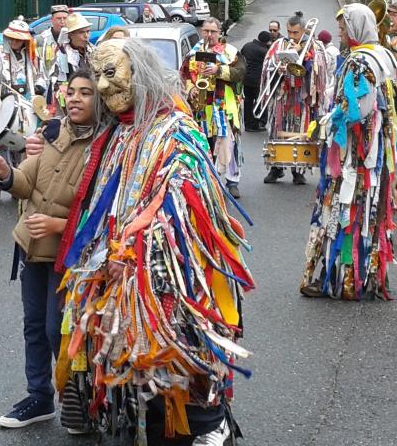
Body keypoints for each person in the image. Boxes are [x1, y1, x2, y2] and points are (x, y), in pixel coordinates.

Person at [61, 38, 253, 445]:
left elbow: (185, 199)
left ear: (142, 71)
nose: (102, 85)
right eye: (97, 75)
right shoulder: (119, 132)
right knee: (139, 372)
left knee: (177, 355)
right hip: (121, 278)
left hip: (167, 279)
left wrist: (136, 250)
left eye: (111, 72)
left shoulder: (176, 130)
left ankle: (209, 426)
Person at [0, 71, 106, 431]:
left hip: (69, 257)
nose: (76, 99)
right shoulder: (56, 132)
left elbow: (106, 213)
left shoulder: (107, 147)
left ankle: (78, 400)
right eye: (71, 92)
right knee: (34, 327)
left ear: (101, 101)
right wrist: (5, 172)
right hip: (31, 249)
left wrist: (59, 226)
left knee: (60, 331)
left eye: (86, 93)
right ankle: (39, 397)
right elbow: (26, 183)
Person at [301, 4, 397, 299]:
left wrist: (326, 123)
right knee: (367, 214)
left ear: (357, 27)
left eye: (344, 27)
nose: (340, 32)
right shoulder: (385, 56)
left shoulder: (359, 61)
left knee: (341, 209)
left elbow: (355, 112)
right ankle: (364, 277)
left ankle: (336, 278)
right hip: (377, 151)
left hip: (354, 153)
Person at [261, 14, 332, 185]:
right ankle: (276, 168)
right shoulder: (279, 44)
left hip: (302, 98)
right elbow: (267, 65)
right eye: (289, 32)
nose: (291, 36)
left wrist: (305, 59)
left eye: (295, 33)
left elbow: (321, 70)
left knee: (300, 132)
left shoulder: (315, 46)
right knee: (277, 130)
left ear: (303, 31)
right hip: (283, 97)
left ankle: (298, 170)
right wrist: (277, 68)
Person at [182, 18, 247, 197]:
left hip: (223, 104)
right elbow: (185, 75)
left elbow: (240, 73)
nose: (209, 35)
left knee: (228, 141)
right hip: (201, 106)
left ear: (220, 33)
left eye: (213, 32)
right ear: (201, 32)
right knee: (204, 142)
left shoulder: (230, 52)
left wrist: (219, 71)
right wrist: (191, 89)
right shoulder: (193, 53)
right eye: (206, 31)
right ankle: (208, 178)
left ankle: (232, 180)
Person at [0, 17, 41, 171]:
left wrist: (38, 90)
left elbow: (39, 74)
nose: (15, 42)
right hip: (1, 102)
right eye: (12, 38)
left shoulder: (31, 55)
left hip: (24, 102)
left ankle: (18, 179)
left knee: (21, 141)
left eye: (19, 39)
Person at [44, 13, 95, 115]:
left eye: (88, 32)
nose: (86, 36)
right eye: (81, 32)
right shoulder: (61, 55)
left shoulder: (93, 51)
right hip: (70, 108)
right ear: (70, 35)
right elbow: (55, 85)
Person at [240, 31, 273, 132]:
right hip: (258, 81)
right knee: (260, 102)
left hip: (246, 79)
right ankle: (257, 124)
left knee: (248, 101)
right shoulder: (264, 51)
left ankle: (247, 124)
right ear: (267, 41)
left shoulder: (247, 46)